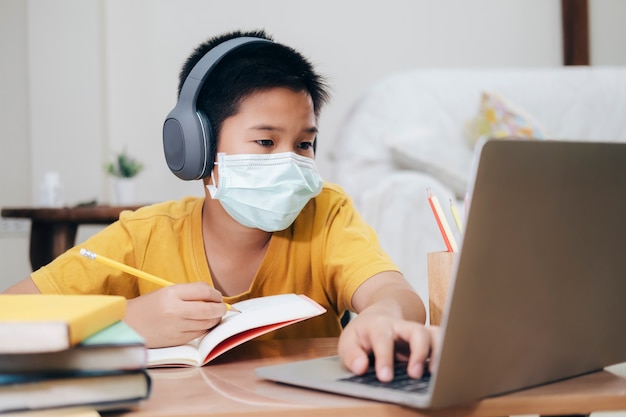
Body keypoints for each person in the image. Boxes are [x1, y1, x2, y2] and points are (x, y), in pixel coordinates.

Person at [4, 29, 439, 382]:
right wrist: (125, 322)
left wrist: (382, 316)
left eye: (304, 143)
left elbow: (395, 293)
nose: (289, 160)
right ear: (197, 148)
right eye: (265, 141)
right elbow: (11, 316)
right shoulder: (143, 234)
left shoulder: (325, 213)